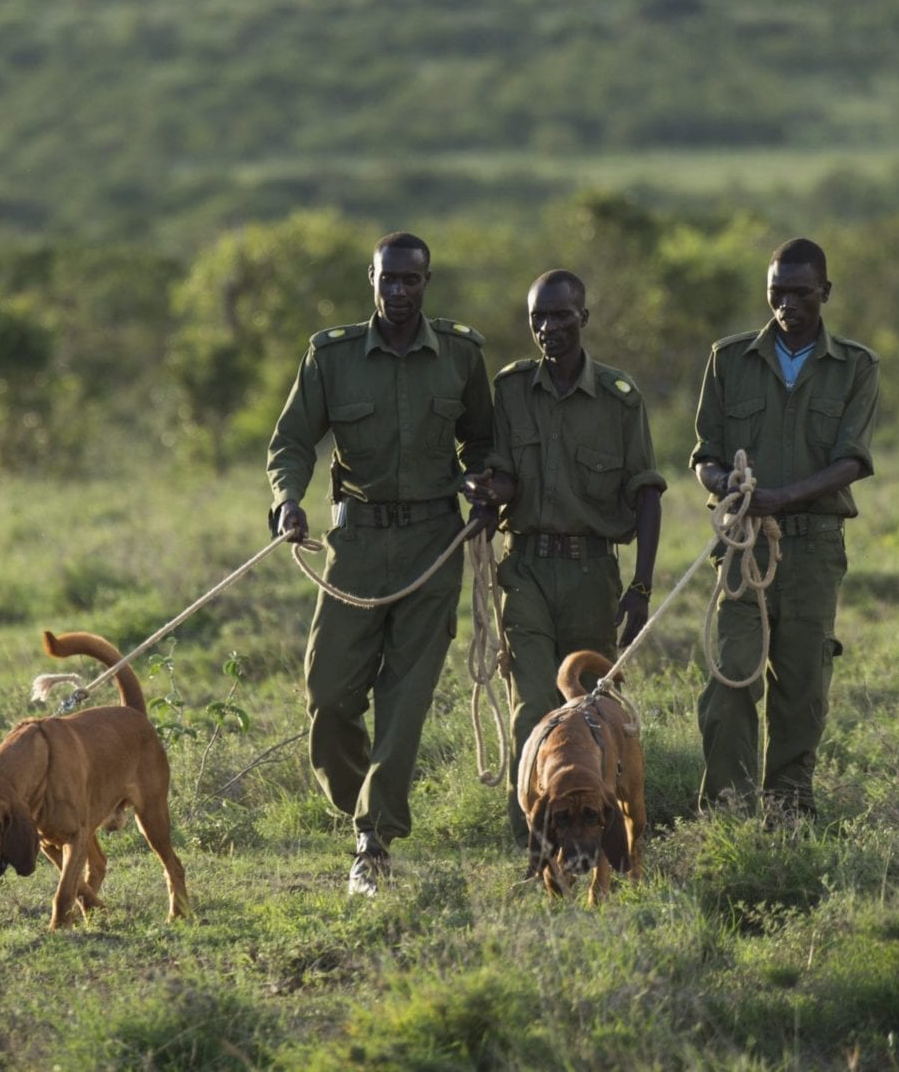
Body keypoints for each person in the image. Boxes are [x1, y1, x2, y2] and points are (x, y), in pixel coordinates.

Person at [267, 232, 495, 895]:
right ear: (371, 279)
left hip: (435, 544)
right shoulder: (331, 356)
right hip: (356, 545)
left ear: (428, 282)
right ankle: (359, 801)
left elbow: (482, 439)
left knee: (405, 701)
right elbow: (290, 441)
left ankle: (373, 839)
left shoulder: (460, 353)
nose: (399, 292)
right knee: (330, 695)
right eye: (388, 279)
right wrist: (287, 503)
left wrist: (483, 482)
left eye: (412, 280)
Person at [463, 270, 665, 845]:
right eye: (538, 319)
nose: (548, 328)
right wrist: (484, 493)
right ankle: (533, 841)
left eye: (561, 316)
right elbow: (502, 475)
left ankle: (602, 839)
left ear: (584, 318)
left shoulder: (620, 400)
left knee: (593, 711)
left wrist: (642, 587)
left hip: (590, 572)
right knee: (533, 706)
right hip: (523, 568)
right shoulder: (509, 390)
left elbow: (647, 493)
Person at [689, 237, 879, 817]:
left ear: (825, 292)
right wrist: (726, 485)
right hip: (743, 545)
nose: (787, 305)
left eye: (800, 293)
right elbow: (703, 456)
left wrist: (782, 497)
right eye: (777, 294)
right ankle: (729, 808)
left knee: (802, 686)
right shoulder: (729, 359)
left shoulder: (855, 366)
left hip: (815, 547)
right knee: (732, 678)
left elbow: (852, 461)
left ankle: (789, 807)